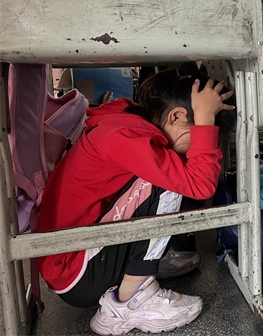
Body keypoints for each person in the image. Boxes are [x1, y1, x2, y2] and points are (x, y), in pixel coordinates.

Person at [36, 68, 236, 335]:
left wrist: (201, 126)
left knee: (171, 172)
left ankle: (138, 268)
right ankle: (129, 300)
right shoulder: (123, 136)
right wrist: (205, 124)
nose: (199, 146)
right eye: (198, 132)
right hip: (76, 272)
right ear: (177, 116)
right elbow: (201, 186)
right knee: (171, 179)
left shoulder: (128, 127)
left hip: (76, 255)